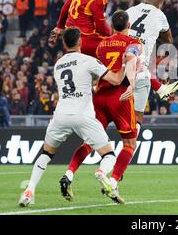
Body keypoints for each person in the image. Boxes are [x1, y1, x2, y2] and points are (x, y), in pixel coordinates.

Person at [18, 27, 128, 207]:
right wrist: (124, 63)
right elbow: (116, 79)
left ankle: (29, 190)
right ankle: (102, 173)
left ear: (63, 43)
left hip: (61, 115)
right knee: (109, 155)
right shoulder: (88, 60)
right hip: (83, 115)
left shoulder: (58, 64)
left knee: (46, 153)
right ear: (80, 42)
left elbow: (77, 81)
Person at [50, 0, 178, 111]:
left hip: (72, 38)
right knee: (130, 53)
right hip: (89, 41)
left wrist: (60, 26)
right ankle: (154, 89)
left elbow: (66, 6)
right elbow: (101, 28)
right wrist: (115, 39)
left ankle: (159, 89)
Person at [59, 12, 141, 204]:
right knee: (130, 144)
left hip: (100, 96)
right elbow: (130, 60)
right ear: (129, 24)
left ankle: (69, 174)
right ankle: (112, 181)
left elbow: (97, 69)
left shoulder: (102, 44)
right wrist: (132, 84)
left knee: (90, 141)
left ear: (112, 25)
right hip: (120, 96)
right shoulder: (133, 42)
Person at [127, 0, 178, 127]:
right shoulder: (159, 14)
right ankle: (161, 89)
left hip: (121, 53)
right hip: (139, 61)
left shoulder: (130, 10)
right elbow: (168, 39)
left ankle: (161, 89)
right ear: (160, 4)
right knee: (138, 115)